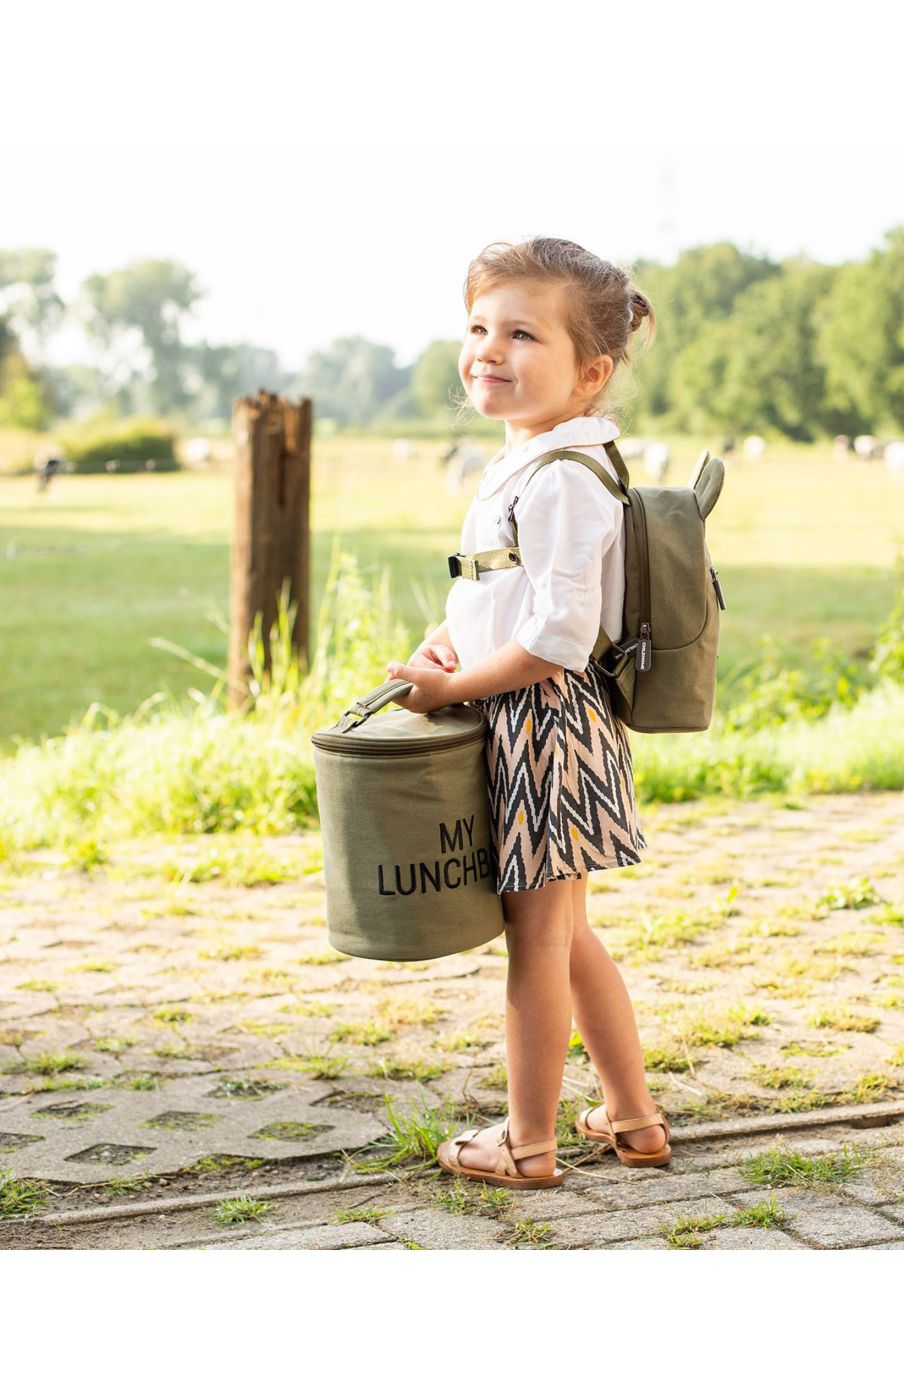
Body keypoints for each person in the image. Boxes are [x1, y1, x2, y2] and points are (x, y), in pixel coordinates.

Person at [383, 237, 671, 1188]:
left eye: (521, 333)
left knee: (538, 941)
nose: (489, 350)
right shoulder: (528, 462)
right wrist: (448, 640)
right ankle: (631, 1118)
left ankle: (527, 1142)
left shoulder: (557, 479)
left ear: (590, 373)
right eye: (478, 328)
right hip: (535, 715)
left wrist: (451, 690)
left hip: (543, 724)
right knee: (568, 933)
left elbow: (556, 634)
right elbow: (505, 600)